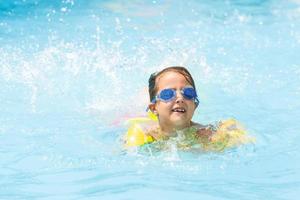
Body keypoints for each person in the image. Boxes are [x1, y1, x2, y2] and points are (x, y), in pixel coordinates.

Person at [124, 66, 254, 151]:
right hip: (142, 117)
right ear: (153, 107)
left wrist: (230, 133)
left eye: (188, 93)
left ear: (195, 105)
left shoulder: (205, 134)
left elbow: (235, 131)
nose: (180, 98)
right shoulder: (143, 133)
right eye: (168, 94)